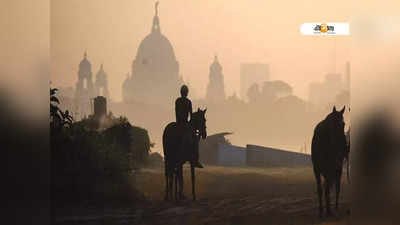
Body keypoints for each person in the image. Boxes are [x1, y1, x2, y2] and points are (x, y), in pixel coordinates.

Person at [175, 85, 203, 168]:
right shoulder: (188, 102)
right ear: (187, 93)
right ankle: (195, 159)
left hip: (179, 123)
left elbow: (176, 112)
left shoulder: (178, 101)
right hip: (184, 123)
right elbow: (191, 115)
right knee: (194, 140)